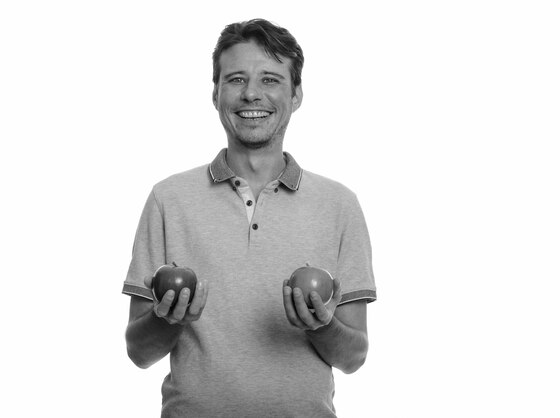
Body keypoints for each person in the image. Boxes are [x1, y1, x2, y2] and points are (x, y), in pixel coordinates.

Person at [123, 18, 377, 417]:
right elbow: (138, 351)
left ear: (296, 95)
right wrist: (167, 320)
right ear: (216, 93)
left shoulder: (339, 205)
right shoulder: (168, 199)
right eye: (236, 79)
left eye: (271, 80)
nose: (252, 94)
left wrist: (322, 325)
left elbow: (354, 357)